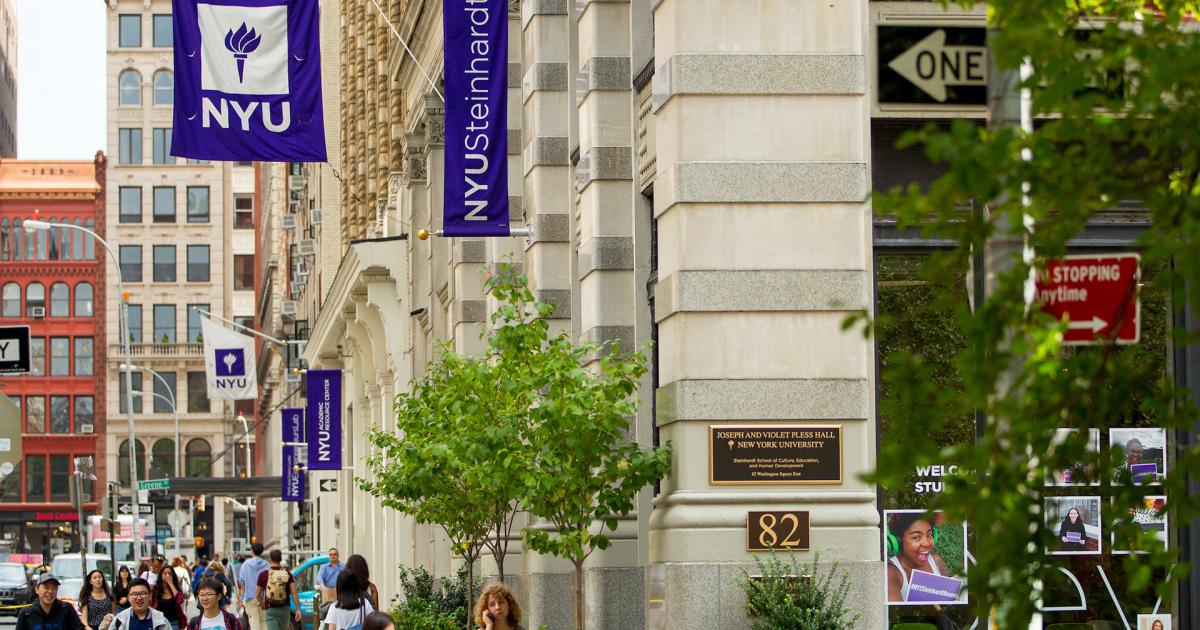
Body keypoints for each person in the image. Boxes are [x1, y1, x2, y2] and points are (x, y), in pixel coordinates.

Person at [886, 513, 951, 602]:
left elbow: (949, 595)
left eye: (929, 535)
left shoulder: (936, 560)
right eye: (916, 537)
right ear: (898, 541)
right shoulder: (891, 572)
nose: (926, 544)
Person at [16, 574, 85, 630]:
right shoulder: (26, 613)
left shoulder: (66, 609)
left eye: (54, 588)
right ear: (37, 589)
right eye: (46, 587)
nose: (50, 591)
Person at [255, 550, 299, 630]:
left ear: (269, 559)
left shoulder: (263, 574)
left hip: (270, 609)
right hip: (284, 609)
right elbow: (294, 592)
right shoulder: (287, 573)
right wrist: (298, 609)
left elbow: (257, 594)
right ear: (281, 559)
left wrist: (262, 604)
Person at [236, 544, 269, 630]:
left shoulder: (245, 564)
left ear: (252, 551)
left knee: (254, 622)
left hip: (250, 597)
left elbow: (242, 583)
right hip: (263, 598)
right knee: (264, 622)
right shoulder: (267, 565)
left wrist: (241, 599)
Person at [153, 566, 185, 630]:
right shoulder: (154, 590)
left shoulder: (176, 589)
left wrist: (171, 584)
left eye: (169, 573)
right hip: (159, 623)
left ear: (173, 576)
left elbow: (179, 600)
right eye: (165, 573)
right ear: (161, 575)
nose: (167, 575)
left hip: (173, 623)